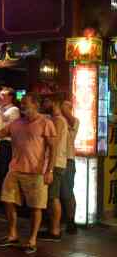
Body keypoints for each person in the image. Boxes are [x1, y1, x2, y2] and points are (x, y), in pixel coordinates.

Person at [0, 93, 56, 254]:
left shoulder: (45, 123)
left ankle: (32, 239)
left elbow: (53, 149)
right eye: (22, 103)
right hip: (15, 168)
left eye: (26, 103)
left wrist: (50, 170)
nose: (22, 105)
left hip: (37, 171)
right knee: (7, 200)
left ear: (35, 104)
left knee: (36, 206)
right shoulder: (16, 123)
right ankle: (12, 234)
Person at [38, 96, 68, 242]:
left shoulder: (58, 120)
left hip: (55, 163)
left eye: (46, 101)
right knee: (51, 197)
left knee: (53, 197)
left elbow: (53, 144)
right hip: (54, 163)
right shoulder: (55, 119)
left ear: (55, 103)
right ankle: (52, 228)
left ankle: (55, 231)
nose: (43, 104)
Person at [0, 87, 20, 210]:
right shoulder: (0, 109)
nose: (0, 97)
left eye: (2, 95)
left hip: (6, 143)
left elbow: (1, 119)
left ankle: (3, 201)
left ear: (10, 97)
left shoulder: (13, 110)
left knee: (2, 171)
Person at [60, 98, 79, 234]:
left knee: (67, 193)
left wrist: (64, 110)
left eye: (66, 107)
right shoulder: (56, 120)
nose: (62, 109)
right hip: (58, 160)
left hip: (68, 160)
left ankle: (71, 221)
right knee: (57, 194)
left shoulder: (74, 120)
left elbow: (72, 120)